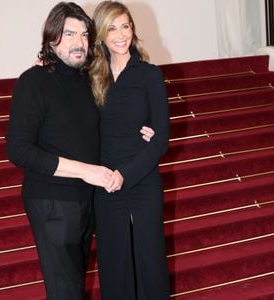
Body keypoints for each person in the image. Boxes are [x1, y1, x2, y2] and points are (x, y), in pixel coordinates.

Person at [6, 2, 154, 299]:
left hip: (87, 200)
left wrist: (144, 129)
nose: (79, 42)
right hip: (52, 201)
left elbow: (109, 120)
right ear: (51, 38)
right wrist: (87, 171)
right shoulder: (33, 81)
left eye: (85, 34)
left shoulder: (88, 79)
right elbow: (19, 150)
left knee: (75, 286)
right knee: (65, 292)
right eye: (69, 34)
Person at [89, 1, 170, 299]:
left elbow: (161, 139)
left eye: (126, 26)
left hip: (142, 178)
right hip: (105, 183)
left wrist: (126, 173)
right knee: (114, 263)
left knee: (150, 262)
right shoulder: (92, 77)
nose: (121, 34)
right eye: (112, 27)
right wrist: (43, 64)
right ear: (100, 33)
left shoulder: (149, 75)